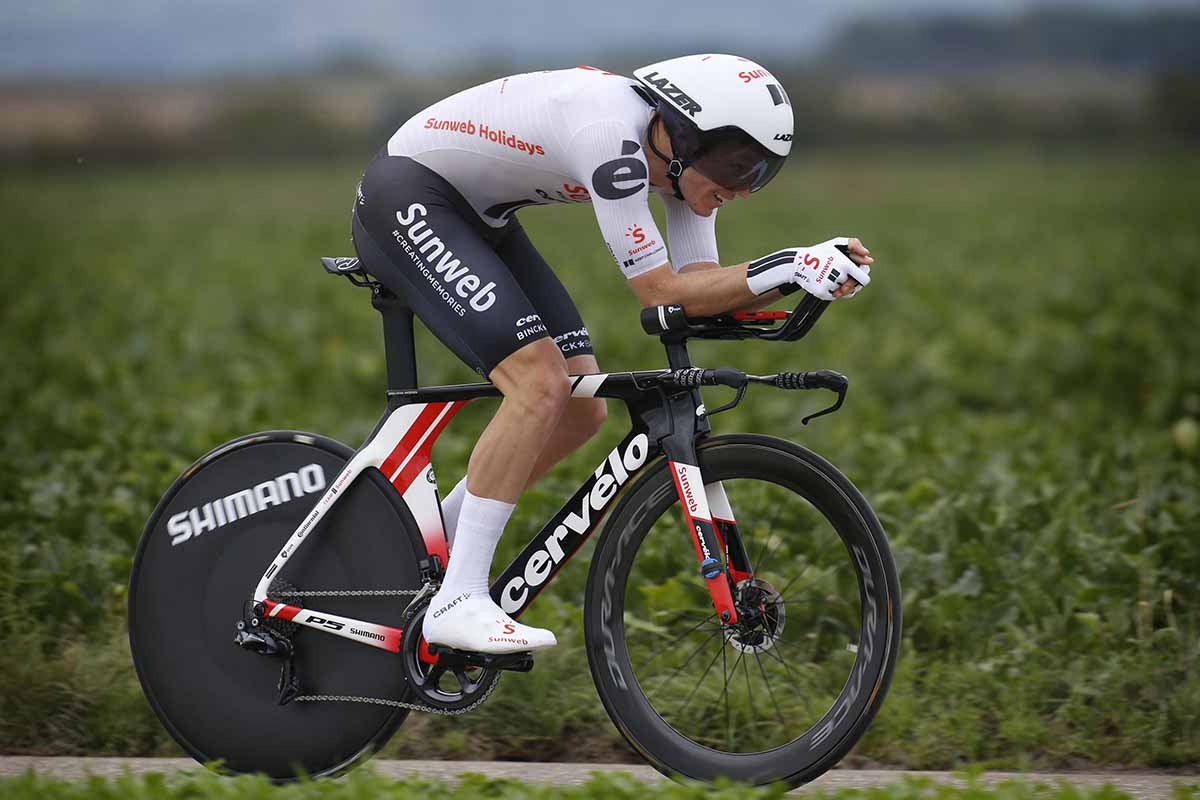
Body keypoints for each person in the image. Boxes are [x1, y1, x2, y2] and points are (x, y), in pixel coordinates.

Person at [350, 54, 874, 655]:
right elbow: (660, 293)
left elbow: (698, 292)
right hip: (408, 196)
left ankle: (426, 542)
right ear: (682, 133)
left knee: (581, 409)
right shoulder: (612, 143)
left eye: (761, 173)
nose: (741, 188)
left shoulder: (681, 170)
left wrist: (802, 279)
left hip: (479, 216)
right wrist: (787, 264)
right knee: (540, 384)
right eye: (736, 165)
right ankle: (458, 597)